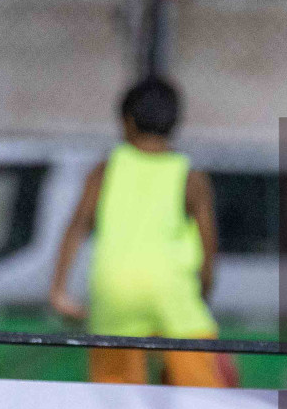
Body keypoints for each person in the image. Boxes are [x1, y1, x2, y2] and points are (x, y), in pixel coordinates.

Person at [49, 78, 230, 389]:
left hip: (115, 293)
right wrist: (203, 293)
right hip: (171, 292)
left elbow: (77, 225)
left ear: (126, 120)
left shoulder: (105, 170)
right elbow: (208, 245)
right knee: (202, 396)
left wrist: (59, 291)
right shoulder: (190, 176)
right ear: (176, 122)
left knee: (116, 390)